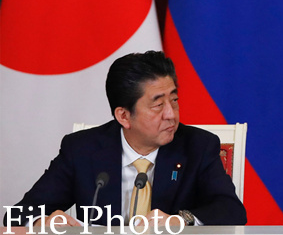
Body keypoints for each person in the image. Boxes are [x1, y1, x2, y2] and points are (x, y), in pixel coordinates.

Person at [3, 51, 247, 228]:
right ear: (124, 116)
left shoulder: (198, 146)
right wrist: (42, 222)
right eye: (158, 105)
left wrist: (180, 219)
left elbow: (232, 211)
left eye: (174, 100)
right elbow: (16, 216)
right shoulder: (81, 150)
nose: (171, 114)